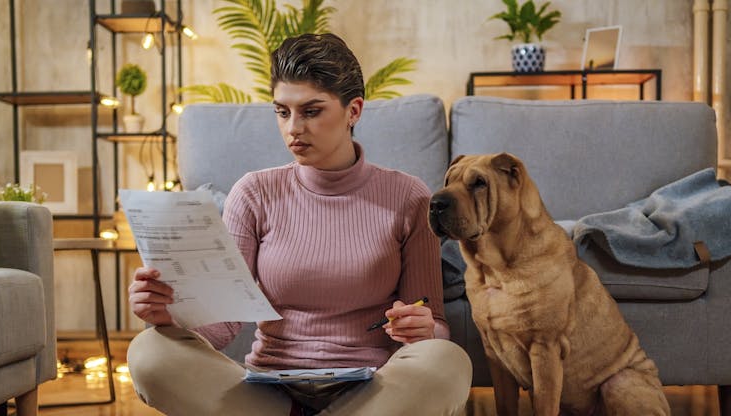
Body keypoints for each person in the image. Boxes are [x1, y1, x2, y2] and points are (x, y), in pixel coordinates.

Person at [125, 33, 472, 415]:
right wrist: (166, 316)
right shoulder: (253, 193)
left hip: (375, 391)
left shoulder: (408, 197)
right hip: (267, 394)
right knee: (148, 351)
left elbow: (434, 324)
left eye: (311, 111)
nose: (293, 128)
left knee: (448, 360)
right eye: (282, 111)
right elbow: (221, 326)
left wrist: (424, 329)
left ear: (353, 111)